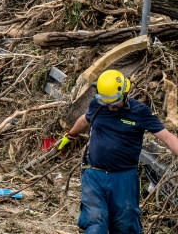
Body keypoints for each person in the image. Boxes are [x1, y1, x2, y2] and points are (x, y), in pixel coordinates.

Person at [59, 69, 178, 233]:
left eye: (114, 102)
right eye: (106, 102)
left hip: (124, 178)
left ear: (124, 93)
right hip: (94, 175)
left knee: (125, 226)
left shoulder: (141, 112)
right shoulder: (98, 105)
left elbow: (168, 138)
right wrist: (71, 135)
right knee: (95, 222)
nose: (110, 106)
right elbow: (85, 120)